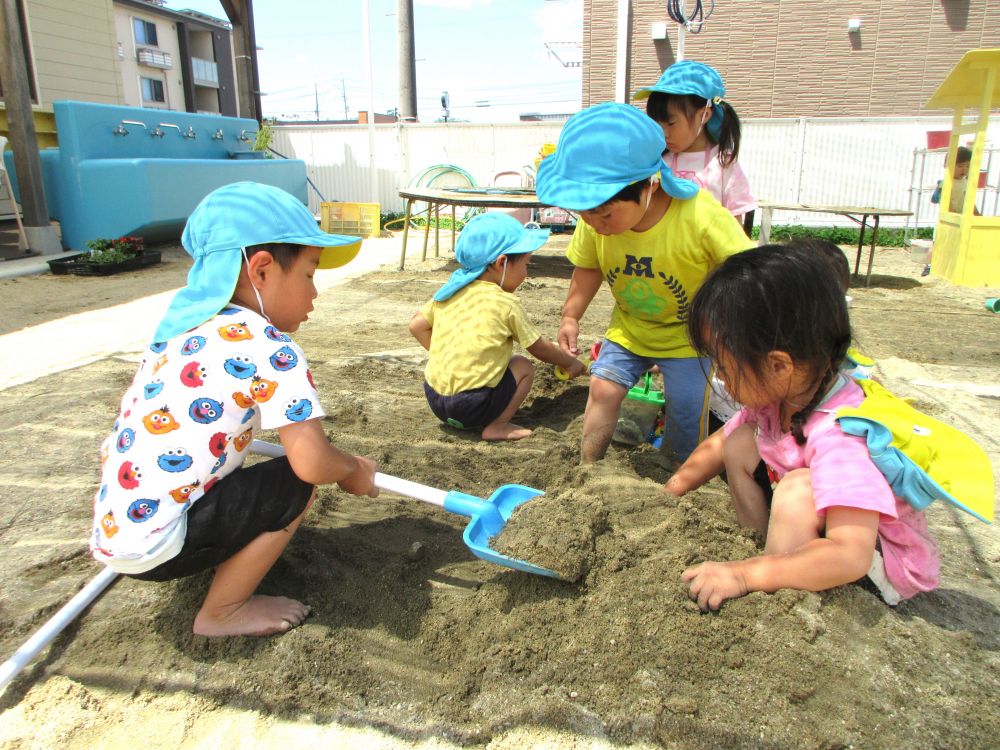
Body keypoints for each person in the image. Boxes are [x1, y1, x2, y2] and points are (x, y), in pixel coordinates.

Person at [89, 182, 380, 637]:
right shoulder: (269, 346)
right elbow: (313, 464)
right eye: (309, 274)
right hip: (163, 548)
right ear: (261, 269)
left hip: (118, 536)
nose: (315, 294)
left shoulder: (178, 333)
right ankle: (223, 611)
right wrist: (350, 469)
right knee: (292, 484)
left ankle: (211, 553)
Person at [664, 244, 940, 611]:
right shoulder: (780, 397)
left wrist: (746, 576)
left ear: (778, 366)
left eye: (726, 366)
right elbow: (717, 447)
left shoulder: (840, 437)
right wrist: (669, 493)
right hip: (824, 538)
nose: (720, 378)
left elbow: (849, 555)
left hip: (875, 566)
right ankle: (762, 547)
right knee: (740, 443)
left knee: (797, 490)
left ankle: (774, 590)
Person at [535, 102, 753, 464]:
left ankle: (677, 470)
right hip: (630, 330)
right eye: (586, 214)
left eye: (605, 214)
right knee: (602, 389)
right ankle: (588, 466)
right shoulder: (594, 224)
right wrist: (570, 316)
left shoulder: (699, 214)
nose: (595, 223)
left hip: (689, 336)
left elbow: (742, 267)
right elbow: (588, 269)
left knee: (685, 407)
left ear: (650, 184)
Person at [409, 212, 586, 442]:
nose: (526, 274)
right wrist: (568, 361)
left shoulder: (448, 293)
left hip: (436, 400)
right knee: (522, 366)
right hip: (473, 406)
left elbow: (416, 326)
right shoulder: (506, 303)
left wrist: (447, 357)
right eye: (526, 265)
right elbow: (538, 348)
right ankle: (498, 425)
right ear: (502, 262)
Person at [634, 60, 756, 223]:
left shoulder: (723, 165)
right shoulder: (659, 163)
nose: (664, 134)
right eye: (657, 124)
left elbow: (735, 221)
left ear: (704, 115)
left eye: (671, 123)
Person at [926, 146, 979, 275]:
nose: (964, 170)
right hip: (947, 219)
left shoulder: (966, 182)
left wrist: (977, 214)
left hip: (962, 218)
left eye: (967, 166)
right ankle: (929, 266)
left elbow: (969, 200)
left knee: (959, 244)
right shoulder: (946, 182)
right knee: (938, 243)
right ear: (949, 165)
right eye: (960, 166)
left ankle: (953, 267)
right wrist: (951, 215)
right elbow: (945, 202)